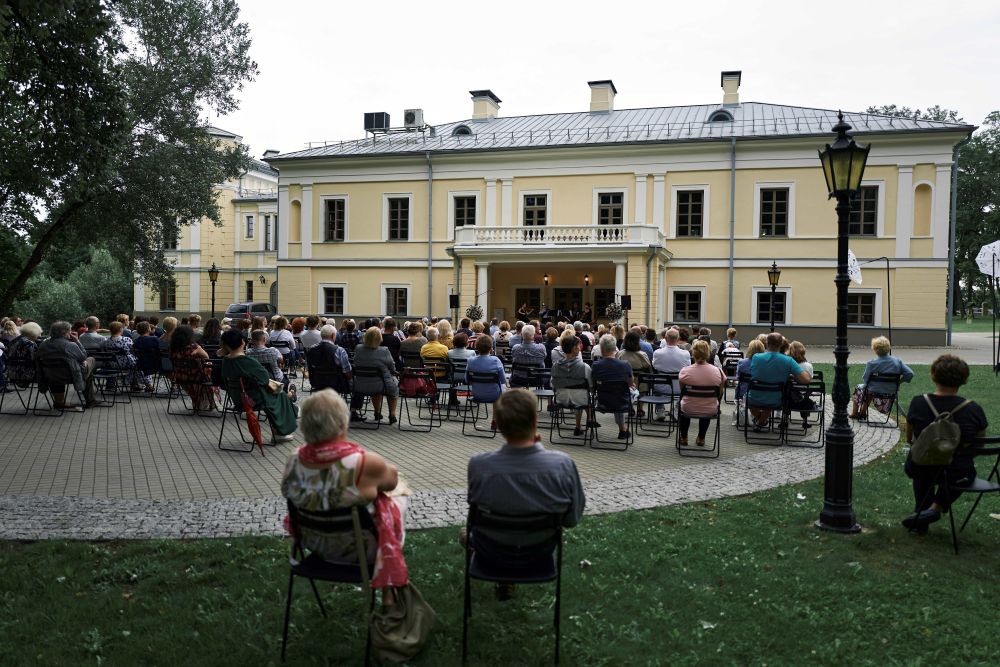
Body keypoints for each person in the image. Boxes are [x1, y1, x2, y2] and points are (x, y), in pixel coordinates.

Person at [281, 389, 408, 595]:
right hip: (362, 550)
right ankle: (388, 589)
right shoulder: (362, 462)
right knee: (394, 494)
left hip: (314, 544)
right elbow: (392, 481)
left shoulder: (294, 459)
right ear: (342, 423)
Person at [467, 389, 585, 599]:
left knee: (466, 534)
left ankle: (504, 578)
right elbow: (571, 519)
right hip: (539, 550)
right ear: (534, 420)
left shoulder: (479, 465)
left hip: (491, 549)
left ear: (499, 424)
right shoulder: (562, 464)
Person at [900, 354, 988, 534]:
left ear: (933, 375)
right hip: (958, 472)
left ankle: (922, 517)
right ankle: (936, 507)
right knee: (961, 472)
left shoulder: (919, 403)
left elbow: (910, 438)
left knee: (923, 468)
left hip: (921, 466)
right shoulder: (973, 409)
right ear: (964, 379)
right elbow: (978, 445)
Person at [220, 329, 297, 443]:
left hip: (236, 398)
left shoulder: (225, 361)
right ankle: (279, 432)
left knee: (279, 395)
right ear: (242, 342)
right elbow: (265, 379)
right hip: (253, 399)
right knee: (280, 395)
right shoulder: (247, 361)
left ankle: (290, 407)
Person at [35, 321, 105, 410]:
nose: (71, 332)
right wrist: (77, 341)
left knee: (56, 368)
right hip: (71, 376)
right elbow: (83, 356)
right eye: (70, 330)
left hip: (49, 375)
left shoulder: (43, 344)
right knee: (90, 360)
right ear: (64, 332)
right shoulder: (69, 345)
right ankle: (90, 400)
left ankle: (59, 402)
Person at [747, 332, 811, 429]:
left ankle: (760, 421)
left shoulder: (756, 357)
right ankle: (760, 422)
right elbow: (806, 380)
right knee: (770, 399)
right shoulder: (788, 360)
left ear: (766, 343)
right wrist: (791, 375)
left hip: (753, 398)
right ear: (781, 344)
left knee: (750, 400)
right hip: (776, 400)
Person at [851, 336, 914, 419]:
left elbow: (866, 379)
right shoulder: (897, 362)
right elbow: (910, 373)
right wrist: (899, 382)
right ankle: (862, 413)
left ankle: (855, 413)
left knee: (860, 388)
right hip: (890, 393)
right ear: (888, 348)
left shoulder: (872, 363)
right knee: (868, 390)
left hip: (873, 392)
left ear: (875, 349)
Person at [677, 340, 726, 447]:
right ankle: (701, 438)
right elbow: (720, 393)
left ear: (693, 353)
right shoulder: (718, 371)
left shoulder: (685, 371)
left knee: (681, 404)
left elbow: (682, 392)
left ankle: (684, 437)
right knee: (708, 404)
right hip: (710, 409)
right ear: (708, 353)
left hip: (688, 407)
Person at [591, 334, 635, 439]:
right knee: (624, 391)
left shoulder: (596, 365)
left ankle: (623, 429)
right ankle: (622, 429)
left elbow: (593, 384)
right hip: (622, 401)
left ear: (601, 349)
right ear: (615, 348)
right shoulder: (625, 364)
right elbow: (630, 383)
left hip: (602, 402)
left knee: (616, 391)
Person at [352, 327, 399, 424]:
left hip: (360, 384)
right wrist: (392, 372)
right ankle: (392, 414)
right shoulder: (384, 350)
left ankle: (377, 412)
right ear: (379, 338)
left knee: (376, 384)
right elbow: (392, 366)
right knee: (392, 386)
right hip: (381, 384)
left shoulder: (358, 348)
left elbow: (355, 362)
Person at [551, 335, 593, 435]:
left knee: (579, 394)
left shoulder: (555, 367)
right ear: (574, 348)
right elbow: (591, 386)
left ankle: (579, 426)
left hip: (561, 400)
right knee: (584, 395)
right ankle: (587, 421)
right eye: (578, 345)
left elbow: (553, 385)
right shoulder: (584, 367)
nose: (580, 347)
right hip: (581, 400)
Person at [169, 324, 215, 411]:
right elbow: (206, 357)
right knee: (209, 370)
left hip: (180, 377)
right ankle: (204, 402)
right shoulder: (193, 346)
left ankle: (200, 402)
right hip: (196, 377)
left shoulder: (173, 348)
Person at [651, 328, 691, 421]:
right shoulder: (685, 354)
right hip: (679, 387)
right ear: (678, 339)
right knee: (686, 388)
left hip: (660, 387)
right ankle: (676, 409)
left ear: (665, 338)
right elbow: (688, 368)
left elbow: (654, 366)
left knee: (656, 385)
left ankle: (660, 410)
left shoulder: (657, 353)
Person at [305, 325, 352, 395]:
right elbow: (347, 372)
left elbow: (309, 367)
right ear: (333, 335)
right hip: (335, 384)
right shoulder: (339, 350)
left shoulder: (311, 350)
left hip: (317, 382)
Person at [247, 329, 294, 397]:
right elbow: (281, 361)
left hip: (257, 380)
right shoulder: (273, 351)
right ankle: (289, 394)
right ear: (264, 339)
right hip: (276, 380)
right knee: (284, 377)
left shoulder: (248, 353)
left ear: (252, 340)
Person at [103, 320, 147, 392]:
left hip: (112, 364)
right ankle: (135, 384)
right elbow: (133, 351)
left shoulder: (106, 341)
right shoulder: (126, 339)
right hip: (126, 363)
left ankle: (111, 385)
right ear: (121, 329)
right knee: (136, 363)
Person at [466, 333, 506, 403]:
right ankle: (497, 410)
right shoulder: (496, 360)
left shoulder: (470, 361)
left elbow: (467, 380)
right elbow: (503, 380)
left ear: (476, 347)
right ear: (491, 348)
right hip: (495, 395)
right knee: (504, 387)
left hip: (477, 395)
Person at [787, 341, 816, 429]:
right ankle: (805, 421)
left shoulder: (787, 364)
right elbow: (809, 380)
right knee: (805, 394)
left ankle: (785, 419)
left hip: (788, 397)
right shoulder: (808, 366)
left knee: (788, 392)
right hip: (803, 396)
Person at [5, 321, 42, 387]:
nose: (38, 336)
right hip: (26, 375)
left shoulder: (13, 341)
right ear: (33, 332)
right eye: (38, 334)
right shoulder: (30, 344)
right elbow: (36, 359)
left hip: (11, 374)